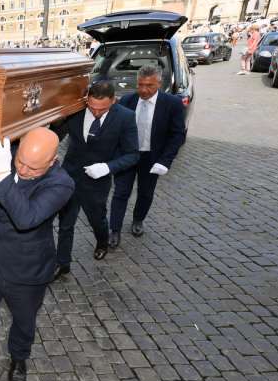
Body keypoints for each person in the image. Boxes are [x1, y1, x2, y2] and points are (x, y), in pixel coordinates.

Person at [0, 129, 74, 381]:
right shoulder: (6, 155)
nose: (23, 169)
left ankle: (19, 358)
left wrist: (2, 174)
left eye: (32, 167)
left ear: (52, 161)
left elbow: (26, 218)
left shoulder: (61, 183)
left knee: (24, 322)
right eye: (20, 161)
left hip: (27, 269)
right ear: (19, 147)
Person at [53, 81, 139, 280]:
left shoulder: (125, 117)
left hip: (98, 179)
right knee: (66, 221)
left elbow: (132, 154)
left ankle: (102, 241)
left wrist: (107, 167)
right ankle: (62, 263)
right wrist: (56, 122)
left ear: (113, 101)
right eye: (92, 107)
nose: (97, 112)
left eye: (102, 109)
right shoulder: (75, 111)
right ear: (87, 100)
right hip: (71, 174)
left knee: (96, 218)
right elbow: (55, 135)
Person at [109, 66, 186, 248]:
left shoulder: (172, 104)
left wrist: (165, 161)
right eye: (140, 85)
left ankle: (138, 220)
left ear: (159, 84)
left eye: (149, 86)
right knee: (120, 193)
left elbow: (177, 135)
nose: (144, 90)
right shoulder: (127, 100)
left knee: (145, 193)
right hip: (127, 156)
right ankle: (114, 229)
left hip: (152, 158)